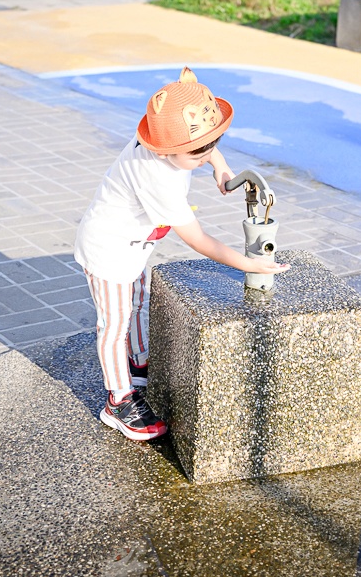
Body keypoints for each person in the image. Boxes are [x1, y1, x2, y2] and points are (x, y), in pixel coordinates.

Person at [75, 67, 290, 441]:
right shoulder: (157, 177)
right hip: (107, 250)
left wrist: (221, 168)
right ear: (166, 148)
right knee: (114, 323)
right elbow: (199, 240)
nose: (206, 152)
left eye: (212, 143)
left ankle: (138, 361)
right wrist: (246, 264)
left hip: (135, 247)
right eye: (198, 151)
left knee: (140, 300)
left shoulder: (180, 146)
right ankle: (119, 401)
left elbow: (204, 143)